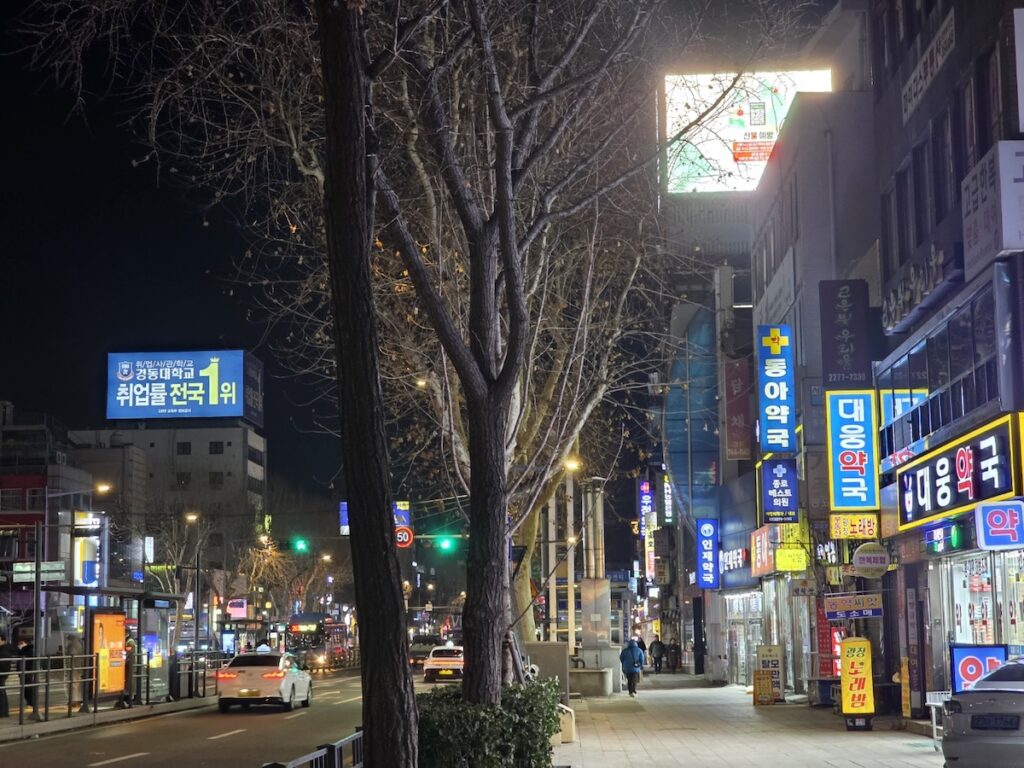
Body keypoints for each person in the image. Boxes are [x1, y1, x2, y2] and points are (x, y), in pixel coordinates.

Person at [65, 632, 87, 712]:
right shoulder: (78, 643)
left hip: (74, 667)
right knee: (76, 684)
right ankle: (75, 700)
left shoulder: (73, 645)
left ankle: (74, 701)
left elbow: (71, 655)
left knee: (73, 684)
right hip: (78, 667)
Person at [16, 639, 37, 718]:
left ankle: (31, 702)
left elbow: (27, 662)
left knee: (27, 688)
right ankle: (30, 702)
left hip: (26, 671)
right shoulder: (25, 650)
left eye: (21, 643)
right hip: (25, 671)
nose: (20, 645)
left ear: (25, 643)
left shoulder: (27, 651)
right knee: (26, 687)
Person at [0, 635, 17, 718]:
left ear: (3, 640)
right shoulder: (5, 648)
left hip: (1, 673)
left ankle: (2, 712)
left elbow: (3, 662)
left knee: (1, 692)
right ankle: (4, 712)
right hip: (3, 673)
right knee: (2, 691)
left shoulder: (4, 649)